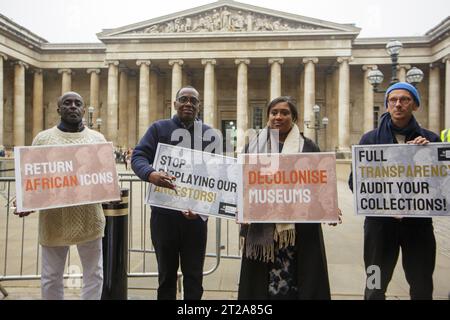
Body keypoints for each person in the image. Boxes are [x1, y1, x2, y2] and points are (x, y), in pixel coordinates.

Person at [348, 82, 441, 300]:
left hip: (418, 226)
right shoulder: (369, 140)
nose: (398, 104)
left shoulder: (432, 140)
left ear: (415, 105)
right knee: (374, 285)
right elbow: (355, 183)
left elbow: (440, 188)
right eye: (393, 100)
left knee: (422, 285)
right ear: (387, 105)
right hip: (379, 227)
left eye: (405, 99)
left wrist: (426, 156)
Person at [238, 96, 336, 300]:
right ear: (267, 117)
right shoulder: (253, 148)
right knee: (262, 283)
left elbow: (320, 185)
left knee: (299, 279)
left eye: (285, 112)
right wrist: (241, 207)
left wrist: (329, 205)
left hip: (299, 229)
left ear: (294, 117)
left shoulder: (309, 147)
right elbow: (243, 184)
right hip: (263, 226)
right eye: (274, 112)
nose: (278, 117)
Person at [14, 91, 107, 300]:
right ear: (58, 109)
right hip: (54, 221)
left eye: (77, 103)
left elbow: (105, 178)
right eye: (67, 103)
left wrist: (109, 191)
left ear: (84, 110)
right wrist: (24, 201)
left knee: (94, 274)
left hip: (89, 219)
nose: (72, 106)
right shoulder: (43, 139)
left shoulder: (97, 138)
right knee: (51, 277)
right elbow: (32, 178)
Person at [131, 85, 220, 300]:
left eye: (193, 101)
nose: (188, 103)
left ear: (199, 106)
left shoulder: (209, 134)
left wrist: (203, 210)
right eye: (184, 99)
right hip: (164, 216)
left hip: (196, 218)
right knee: (166, 276)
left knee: (194, 276)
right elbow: (138, 156)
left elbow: (218, 174)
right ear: (175, 104)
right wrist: (150, 174)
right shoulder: (158, 129)